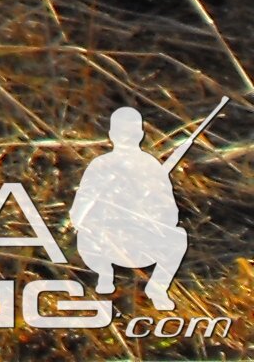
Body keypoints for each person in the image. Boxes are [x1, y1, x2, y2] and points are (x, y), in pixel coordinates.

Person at [71, 108, 191, 306]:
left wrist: (148, 213)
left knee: (178, 236)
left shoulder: (148, 166)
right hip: (105, 241)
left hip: (136, 241)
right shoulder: (102, 165)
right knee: (84, 236)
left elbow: (170, 213)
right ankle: (105, 275)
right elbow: (79, 211)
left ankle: (156, 288)